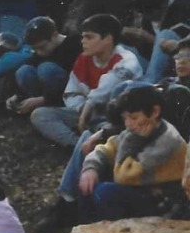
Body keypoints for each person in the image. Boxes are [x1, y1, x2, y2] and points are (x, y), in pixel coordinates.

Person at [30, 13, 143, 148]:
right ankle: (78, 144)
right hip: (88, 114)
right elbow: (71, 92)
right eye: (83, 37)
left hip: (117, 118)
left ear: (107, 39)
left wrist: (89, 107)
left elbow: (107, 88)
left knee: (113, 131)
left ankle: (97, 145)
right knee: (40, 115)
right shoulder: (84, 59)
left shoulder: (126, 59)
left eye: (89, 37)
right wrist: (82, 107)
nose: (83, 41)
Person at [78, 84, 187, 221]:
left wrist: (134, 140)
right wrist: (91, 168)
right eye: (125, 118)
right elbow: (108, 148)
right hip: (141, 188)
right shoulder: (141, 129)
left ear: (155, 112)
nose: (128, 124)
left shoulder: (168, 142)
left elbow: (123, 177)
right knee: (88, 182)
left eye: (134, 117)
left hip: (163, 202)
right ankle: (86, 232)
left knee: (105, 192)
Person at [8, 16, 85, 116]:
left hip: (69, 93)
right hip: (43, 95)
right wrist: (17, 96)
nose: (39, 52)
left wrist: (44, 99)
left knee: (46, 68)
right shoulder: (40, 53)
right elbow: (27, 67)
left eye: (42, 47)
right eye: (35, 49)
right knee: (23, 71)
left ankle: (52, 106)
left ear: (54, 35)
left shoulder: (74, 45)